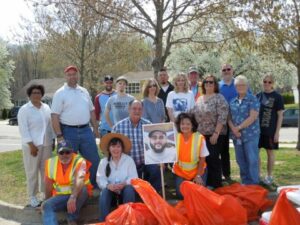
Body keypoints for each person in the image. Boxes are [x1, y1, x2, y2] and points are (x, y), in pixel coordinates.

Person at [51, 65, 100, 188]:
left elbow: (91, 111)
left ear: (78, 75)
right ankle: (68, 188)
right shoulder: (60, 93)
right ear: (66, 76)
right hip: (68, 132)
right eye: (69, 74)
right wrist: (59, 136)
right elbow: (54, 116)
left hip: (86, 130)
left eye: (74, 74)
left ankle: (93, 186)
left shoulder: (84, 91)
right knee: (68, 162)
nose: (72, 76)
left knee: (94, 160)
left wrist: (95, 128)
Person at [112, 100, 162, 192]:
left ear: (142, 111)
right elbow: (112, 148)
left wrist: (160, 159)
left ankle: (154, 195)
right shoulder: (118, 127)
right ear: (129, 109)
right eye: (134, 108)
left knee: (155, 168)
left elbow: (156, 144)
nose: (137, 111)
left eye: (139, 109)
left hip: (146, 162)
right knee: (133, 193)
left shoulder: (148, 125)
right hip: (128, 164)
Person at [17, 84, 54, 207]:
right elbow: (24, 129)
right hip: (32, 146)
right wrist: (31, 145)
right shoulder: (24, 110)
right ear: (29, 94)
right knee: (32, 171)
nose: (36, 95)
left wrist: (52, 140)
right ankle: (32, 196)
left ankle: (45, 194)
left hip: (46, 144)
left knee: (45, 171)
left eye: (38, 92)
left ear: (42, 94)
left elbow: (50, 126)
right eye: (34, 93)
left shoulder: (46, 108)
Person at [42, 140, 92, 225]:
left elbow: (80, 179)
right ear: (57, 153)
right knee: (46, 205)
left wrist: (73, 197)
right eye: (61, 153)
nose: (64, 155)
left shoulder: (80, 161)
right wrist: (46, 201)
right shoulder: (50, 163)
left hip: (78, 195)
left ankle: (72, 219)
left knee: (83, 189)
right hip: (61, 197)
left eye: (67, 152)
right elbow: (48, 184)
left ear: (72, 152)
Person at [191, 75, 229, 188]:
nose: (208, 84)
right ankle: (205, 182)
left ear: (215, 84)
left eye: (211, 82)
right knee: (203, 159)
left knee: (213, 158)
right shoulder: (199, 99)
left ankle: (216, 184)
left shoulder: (219, 98)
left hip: (215, 134)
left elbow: (222, 116)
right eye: (206, 82)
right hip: (201, 135)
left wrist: (216, 133)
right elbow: (194, 116)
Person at [97, 133, 137, 222]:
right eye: (113, 146)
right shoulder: (103, 162)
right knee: (104, 193)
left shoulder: (129, 160)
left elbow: (134, 177)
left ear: (122, 148)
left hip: (125, 192)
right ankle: (104, 221)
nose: (116, 149)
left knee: (129, 189)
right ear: (109, 148)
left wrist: (125, 183)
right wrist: (108, 185)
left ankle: (129, 220)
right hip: (111, 192)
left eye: (118, 146)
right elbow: (100, 178)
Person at [228, 75, 260, 185]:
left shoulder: (253, 99)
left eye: (243, 84)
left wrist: (239, 127)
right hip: (237, 137)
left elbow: (253, 117)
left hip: (250, 135)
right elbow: (229, 118)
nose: (240, 87)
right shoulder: (232, 101)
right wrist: (233, 129)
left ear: (247, 86)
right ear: (235, 87)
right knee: (240, 161)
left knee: (252, 160)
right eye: (238, 85)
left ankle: (254, 184)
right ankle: (245, 182)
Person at [172, 113, 209, 199]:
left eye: (188, 124)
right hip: (180, 171)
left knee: (199, 196)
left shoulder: (199, 138)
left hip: (197, 171)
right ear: (179, 125)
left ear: (192, 125)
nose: (185, 126)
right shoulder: (175, 136)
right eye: (182, 124)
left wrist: (198, 175)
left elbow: (202, 160)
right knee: (181, 196)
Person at [257, 74, 284, 185]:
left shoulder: (278, 97)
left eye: (269, 82)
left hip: (270, 131)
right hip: (257, 131)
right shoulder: (258, 95)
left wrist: (277, 132)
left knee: (270, 153)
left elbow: (280, 115)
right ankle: (258, 175)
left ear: (273, 83)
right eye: (265, 81)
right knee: (255, 153)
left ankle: (269, 176)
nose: (266, 84)